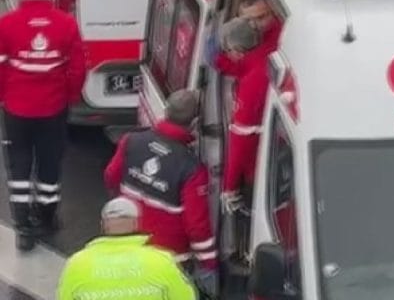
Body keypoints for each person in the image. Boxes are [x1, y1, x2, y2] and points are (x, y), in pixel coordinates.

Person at [0, 0, 86, 251]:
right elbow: (77, 68)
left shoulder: (8, 23)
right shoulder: (66, 24)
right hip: (53, 109)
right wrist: (70, 97)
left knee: (19, 166)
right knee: (49, 165)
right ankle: (46, 218)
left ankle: (23, 227)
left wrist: (4, 96)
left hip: (17, 110)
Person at [104, 90, 217, 296]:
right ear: (194, 123)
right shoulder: (191, 168)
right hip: (168, 259)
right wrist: (208, 265)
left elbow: (111, 176)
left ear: (166, 112)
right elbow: (197, 227)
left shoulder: (131, 141)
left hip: (130, 247)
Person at [56, 197, 197, 300]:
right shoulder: (162, 261)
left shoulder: (77, 265)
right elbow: (187, 297)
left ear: (103, 225)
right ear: (136, 224)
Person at [215, 17, 268, 263]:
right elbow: (238, 65)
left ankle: (248, 254)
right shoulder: (261, 59)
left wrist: (229, 186)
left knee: (248, 212)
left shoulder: (251, 83)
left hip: (255, 167)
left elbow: (240, 140)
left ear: (237, 50)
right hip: (261, 156)